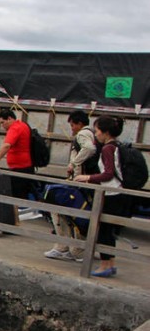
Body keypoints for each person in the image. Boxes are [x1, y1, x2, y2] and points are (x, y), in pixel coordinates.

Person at [74, 116, 131, 277]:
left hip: (112, 194)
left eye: (97, 130)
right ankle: (110, 264)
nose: (96, 134)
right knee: (107, 230)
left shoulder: (107, 148)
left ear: (105, 132)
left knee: (104, 231)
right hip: (117, 193)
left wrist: (88, 178)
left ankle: (105, 265)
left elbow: (108, 173)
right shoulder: (116, 146)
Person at [44, 111, 98, 261]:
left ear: (80, 124)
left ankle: (67, 248)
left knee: (64, 212)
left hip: (80, 182)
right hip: (89, 183)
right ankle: (73, 248)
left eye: (73, 125)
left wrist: (74, 163)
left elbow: (89, 149)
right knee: (79, 214)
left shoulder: (82, 134)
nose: (72, 128)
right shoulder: (94, 134)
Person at [0, 108, 34, 201]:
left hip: (20, 168)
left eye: (3, 122)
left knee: (16, 197)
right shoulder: (23, 125)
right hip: (26, 166)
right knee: (23, 195)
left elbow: (6, 145)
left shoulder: (15, 128)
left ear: (9, 118)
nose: (2, 126)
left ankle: (15, 214)